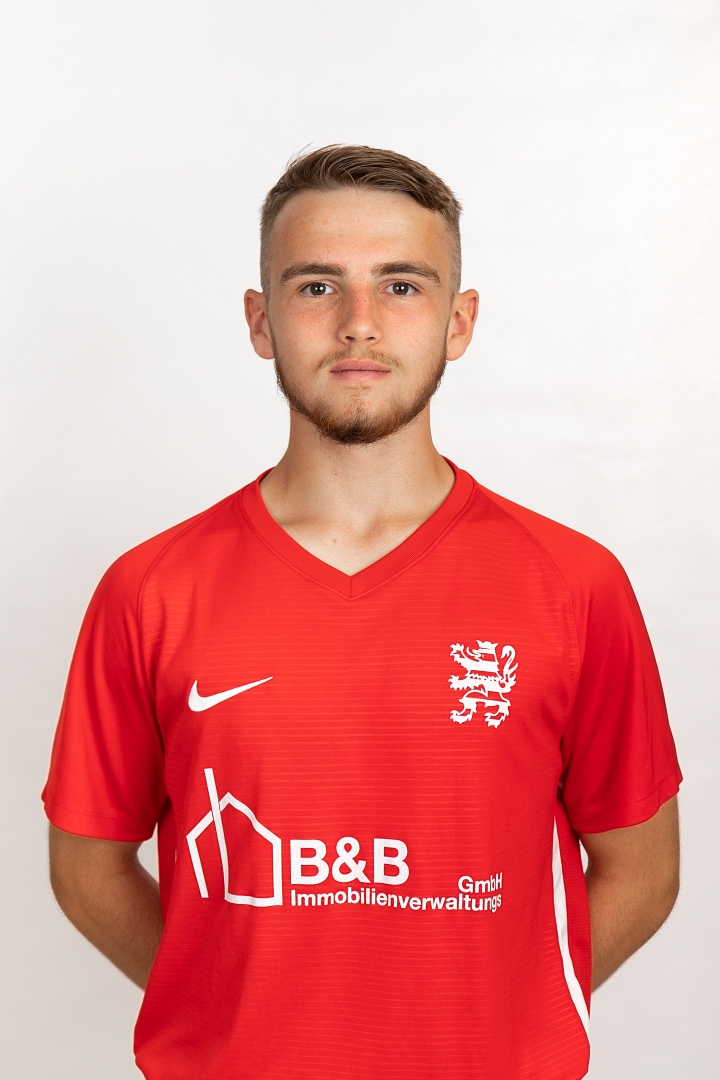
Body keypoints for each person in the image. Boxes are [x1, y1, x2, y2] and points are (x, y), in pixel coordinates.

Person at [44, 145, 681, 1080]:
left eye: (401, 285)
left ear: (459, 322)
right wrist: (227, 1007)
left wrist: (501, 1015)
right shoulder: (150, 591)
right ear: (260, 321)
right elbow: (86, 867)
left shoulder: (574, 584)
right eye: (316, 286)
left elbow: (643, 868)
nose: (359, 323)